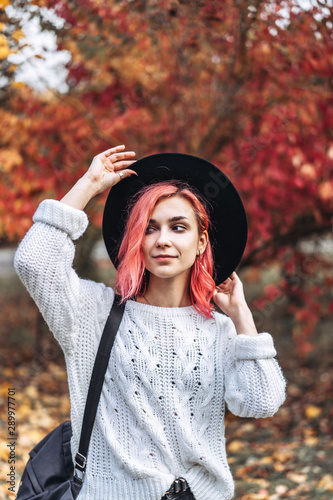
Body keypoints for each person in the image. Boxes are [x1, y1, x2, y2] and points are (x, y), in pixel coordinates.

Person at [14, 145, 286, 500]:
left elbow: (260, 401)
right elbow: (35, 262)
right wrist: (89, 183)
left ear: (201, 241)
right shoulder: (93, 314)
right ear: (136, 240)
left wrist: (241, 316)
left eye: (178, 227)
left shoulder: (220, 330)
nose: (163, 241)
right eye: (149, 228)